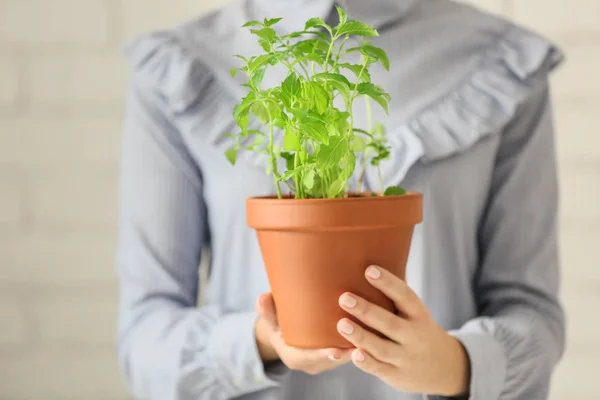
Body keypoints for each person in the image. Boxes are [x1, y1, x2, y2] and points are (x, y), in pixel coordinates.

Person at [115, 0, 566, 399]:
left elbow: (532, 311)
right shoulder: (182, 64)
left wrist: (455, 364)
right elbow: (144, 334)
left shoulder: (499, 60)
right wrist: (261, 342)